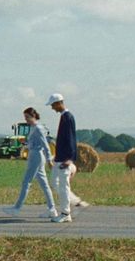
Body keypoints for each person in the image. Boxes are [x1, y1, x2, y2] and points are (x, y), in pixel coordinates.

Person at [2, 107, 58, 218]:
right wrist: (25, 142)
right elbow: (33, 142)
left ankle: (17, 208)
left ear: (33, 116)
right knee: (44, 184)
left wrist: (49, 160)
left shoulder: (38, 128)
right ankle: (52, 209)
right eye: (25, 117)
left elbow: (45, 145)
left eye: (27, 117)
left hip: (36, 156)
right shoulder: (33, 128)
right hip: (34, 154)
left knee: (26, 182)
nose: (26, 119)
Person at [47, 93, 89, 223]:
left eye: (53, 105)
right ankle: (76, 202)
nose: (52, 108)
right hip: (60, 158)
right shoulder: (64, 117)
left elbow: (71, 138)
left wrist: (70, 158)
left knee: (63, 186)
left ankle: (65, 213)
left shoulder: (68, 117)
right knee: (55, 183)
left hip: (65, 159)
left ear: (59, 103)